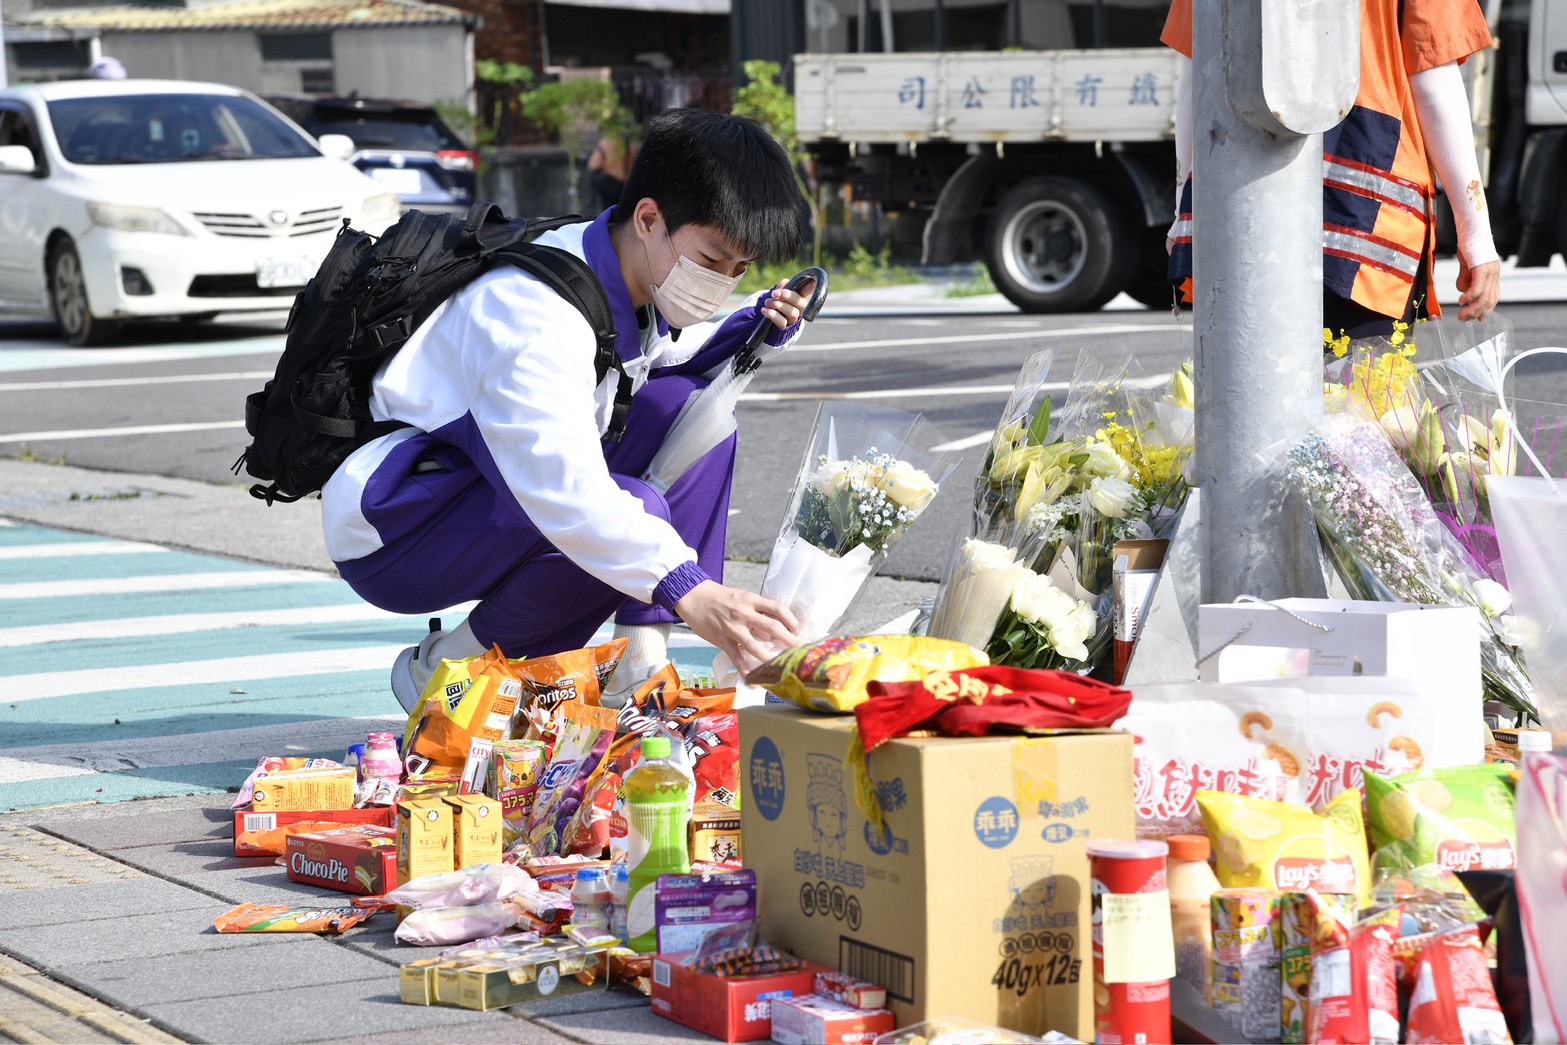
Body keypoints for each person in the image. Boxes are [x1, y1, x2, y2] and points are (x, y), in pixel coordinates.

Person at [317, 107, 815, 709]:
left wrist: (746, 327)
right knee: (630, 510)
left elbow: (657, 366)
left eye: (740, 270)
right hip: (395, 525)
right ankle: (448, 672)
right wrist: (693, 590)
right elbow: (567, 492)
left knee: (699, 418)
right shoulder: (532, 317)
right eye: (711, 262)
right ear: (650, 218)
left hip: (478, 487)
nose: (721, 281)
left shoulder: (614, 260)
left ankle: (639, 663)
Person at [1163, 0, 1502, 339]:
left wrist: (1184, 210)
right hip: (1363, 211)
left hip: (1238, 198)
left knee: (1248, 380)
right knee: (1362, 387)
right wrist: (1476, 235)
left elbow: (1198, 73)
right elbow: (1433, 80)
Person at [587, 130, 636, 212]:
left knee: (609, 213)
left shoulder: (605, 143)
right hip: (628, 183)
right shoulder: (630, 144)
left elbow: (594, 165)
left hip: (611, 181)